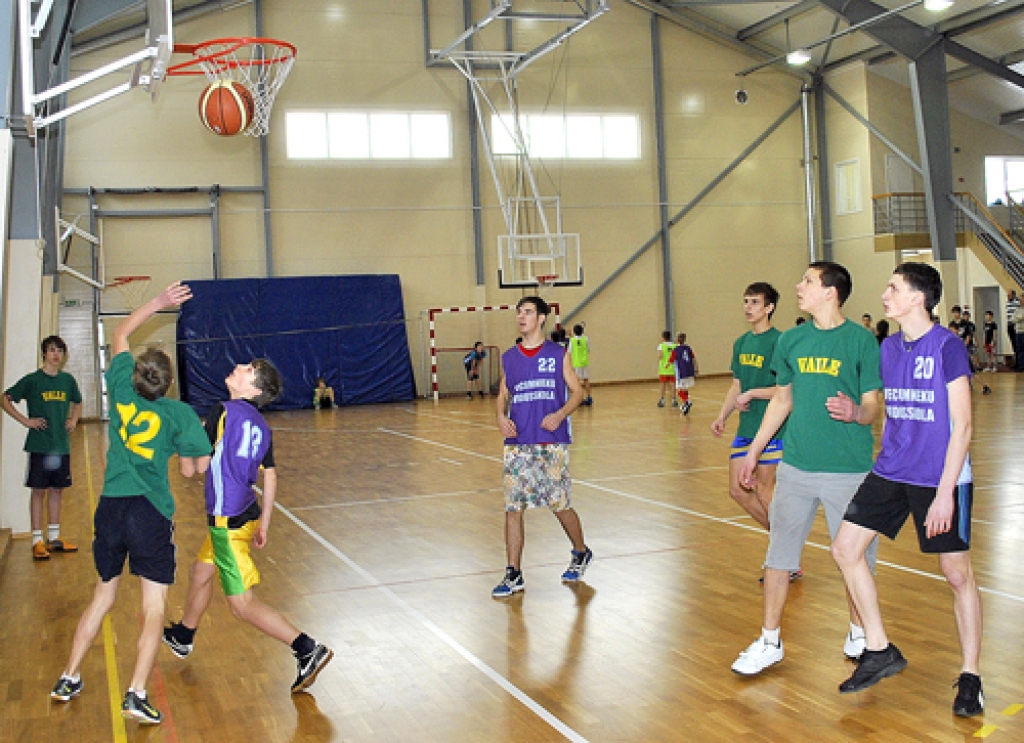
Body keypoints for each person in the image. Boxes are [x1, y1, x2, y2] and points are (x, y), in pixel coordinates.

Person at [50, 282, 213, 725]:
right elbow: (191, 471)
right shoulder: (179, 414)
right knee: (155, 606)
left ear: (136, 373)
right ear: (168, 383)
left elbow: (120, 333)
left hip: (111, 507)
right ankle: (136, 693)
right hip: (150, 512)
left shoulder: (121, 388)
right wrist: (198, 450)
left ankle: (68, 677)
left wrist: (159, 303)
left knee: (102, 597)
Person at [830, 263, 983, 717]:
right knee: (844, 549)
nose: (884, 295)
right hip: (893, 469)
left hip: (939, 476)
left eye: (893, 288)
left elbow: (964, 426)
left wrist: (944, 492)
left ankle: (971, 675)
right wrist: (854, 409)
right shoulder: (888, 347)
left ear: (918, 298)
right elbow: (882, 405)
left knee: (957, 576)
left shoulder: (948, 347)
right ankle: (879, 648)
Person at [730, 262, 882, 677]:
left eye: (808, 281)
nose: (799, 286)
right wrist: (754, 449)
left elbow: (873, 406)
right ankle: (769, 640)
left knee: (856, 559)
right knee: (778, 555)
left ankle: (858, 631)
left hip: (848, 470)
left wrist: (855, 413)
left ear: (831, 292)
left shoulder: (861, 342)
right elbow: (782, 400)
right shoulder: (793, 340)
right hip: (795, 467)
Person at [163, 359, 334, 694]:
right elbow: (269, 474)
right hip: (246, 514)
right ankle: (184, 634)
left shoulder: (222, 411)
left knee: (241, 605)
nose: (239, 365)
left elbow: (193, 470)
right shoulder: (260, 423)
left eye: (247, 367)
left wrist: (183, 439)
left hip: (226, 522)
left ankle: (306, 648)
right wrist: (265, 522)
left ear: (254, 388)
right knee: (201, 573)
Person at [492, 296, 591, 598]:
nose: (521, 316)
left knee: (559, 505)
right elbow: (502, 394)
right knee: (513, 508)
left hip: (551, 442)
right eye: (519, 312)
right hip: (518, 443)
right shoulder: (510, 357)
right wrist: (500, 416)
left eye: (528, 312)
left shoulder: (558, 353)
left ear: (542, 318)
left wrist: (560, 414)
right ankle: (513, 573)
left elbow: (577, 392)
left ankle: (580, 551)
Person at [711, 282, 784, 533]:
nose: (748, 307)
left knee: (764, 490)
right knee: (737, 490)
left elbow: (786, 390)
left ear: (769, 308)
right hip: (746, 428)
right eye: (746, 301)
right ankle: (783, 545)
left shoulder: (780, 341)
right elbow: (736, 385)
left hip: (772, 429)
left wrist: (753, 393)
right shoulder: (741, 343)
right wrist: (723, 415)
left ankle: (784, 558)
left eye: (755, 302)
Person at [2, 336, 83, 560]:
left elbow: (78, 401)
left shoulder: (68, 381)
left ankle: (54, 538)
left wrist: (74, 419)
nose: (56, 354)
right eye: (51, 350)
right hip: (39, 446)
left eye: (59, 351)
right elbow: (5, 398)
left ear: (63, 356)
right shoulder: (32, 380)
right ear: (44, 354)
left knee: (57, 491)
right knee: (38, 492)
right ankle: (37, 540)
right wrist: (26, 421)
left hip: (61, 446)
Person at [669, 332, 698, 415]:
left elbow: (671, 360)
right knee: (685, 388)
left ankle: (687, 401)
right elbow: (693, 358)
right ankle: (685, 404)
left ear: (677, 340)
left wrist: (667, 365)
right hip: (689, 371)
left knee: (679, 389)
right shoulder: (688, 348)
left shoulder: (676, 350)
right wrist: (696, 369)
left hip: (681, 372)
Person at [568, 324, 593, 406]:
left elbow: (569, 352)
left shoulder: (572, 340)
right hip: (584, 362)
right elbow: (589, 349)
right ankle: (589, 397)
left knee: (577, 382)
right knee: (586, 380)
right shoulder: (586, 339)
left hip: (576, 363)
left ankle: (580, 399)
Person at [656, 330, 677, 407]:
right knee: (673, 384)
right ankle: (674, 400)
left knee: (663, 384)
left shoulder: (661, 346)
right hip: (673, 368)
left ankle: (662, 400)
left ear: (663, 337)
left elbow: (660, 356)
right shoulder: (675, 346)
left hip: (664, 368)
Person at [1005, 290, 1020, 365]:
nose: (1008, 296)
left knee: (1017, 344)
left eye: (1009, 295)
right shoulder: (1007, 303)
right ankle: (1016, 362)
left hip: (1015, 325)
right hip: (1009, 324)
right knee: (1013, 344)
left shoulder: (1018, 302)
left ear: (1013, 295)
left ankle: (1018, 362)